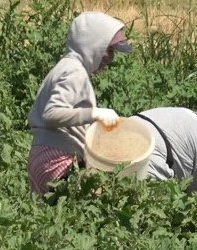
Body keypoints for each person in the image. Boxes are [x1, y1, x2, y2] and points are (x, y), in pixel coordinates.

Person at [27, 11, 132, 196]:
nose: (111, 58)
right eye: (108, 50)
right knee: (77, 209)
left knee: (48, 211)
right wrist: (94, 114)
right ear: (92, 44)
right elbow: (51, 114)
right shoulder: (73, 71)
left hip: (46, 156)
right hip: (58, 157)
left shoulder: (68, 67)